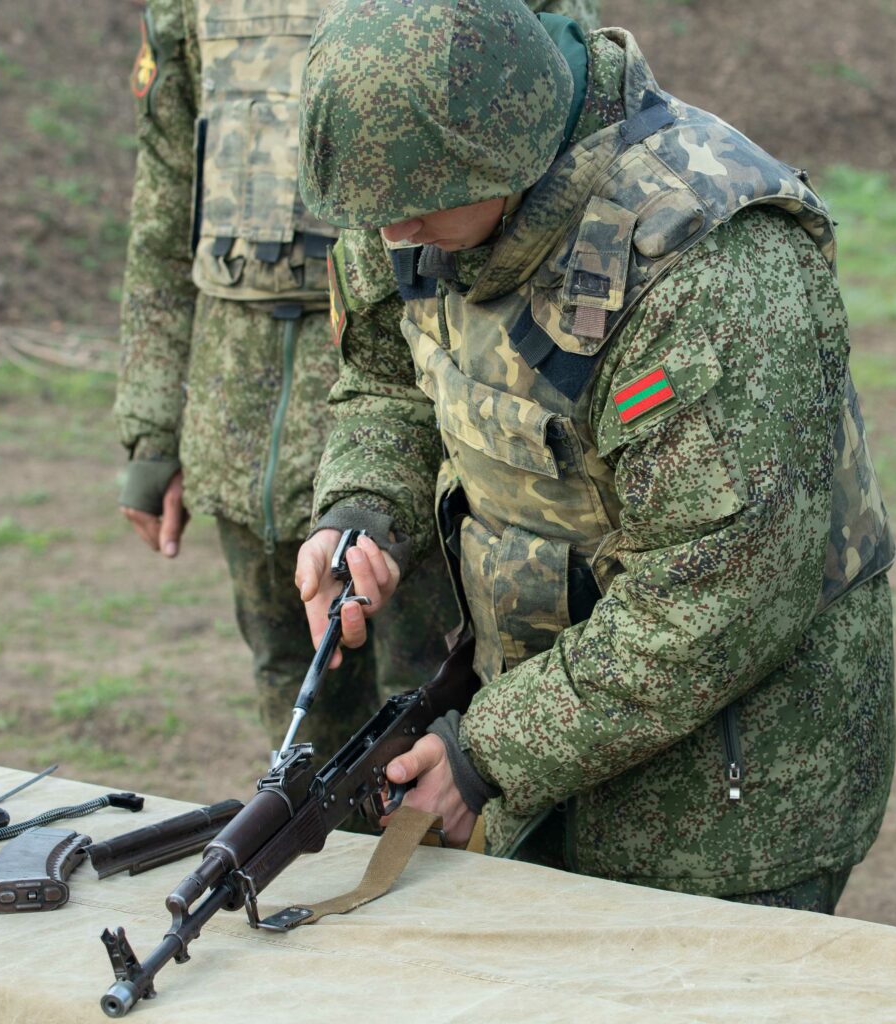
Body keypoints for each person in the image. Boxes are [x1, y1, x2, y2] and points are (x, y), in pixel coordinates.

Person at [293, 0, 896, 909]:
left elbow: (724, 592)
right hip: (535, 738)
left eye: (414, 214)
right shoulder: (418, 182)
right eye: (377, 217)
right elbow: (386, 376)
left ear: (509, 155)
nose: (391, 239)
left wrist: (489, 751)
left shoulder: (706, 265)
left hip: (726, 802)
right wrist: (362, 514)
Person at [111, 0, 594, 756]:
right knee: (297, 695)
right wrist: (149, 422)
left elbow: (556, 147)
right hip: (242, 430)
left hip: (429, 412)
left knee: (432, 694)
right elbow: (167, 199)